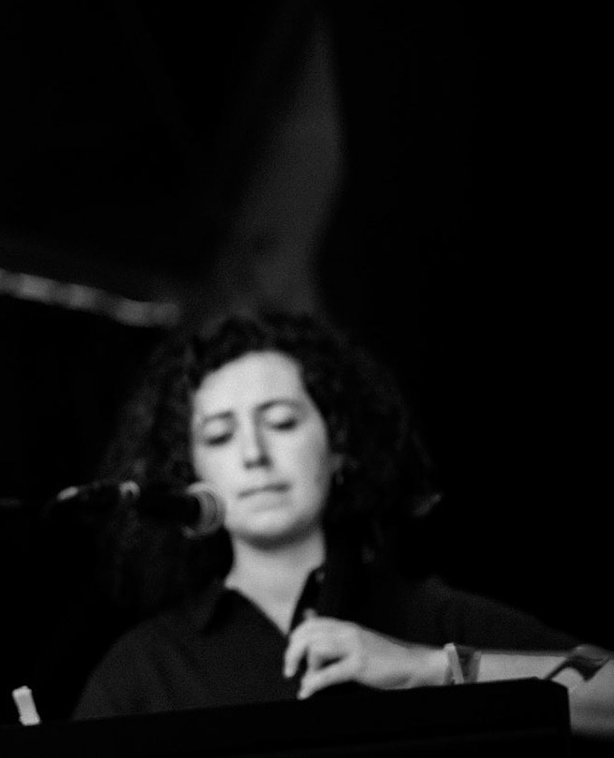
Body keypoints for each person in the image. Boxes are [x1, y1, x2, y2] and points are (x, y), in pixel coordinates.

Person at [70, 309, 612, 737]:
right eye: (219, 436)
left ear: (339, 447)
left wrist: (430, 669)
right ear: (188, 472)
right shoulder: (146, 667)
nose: (254, 454)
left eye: (281, 422)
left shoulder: (432, 617)